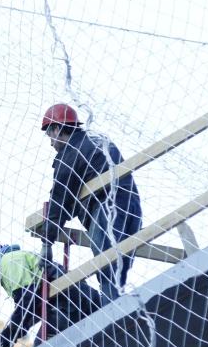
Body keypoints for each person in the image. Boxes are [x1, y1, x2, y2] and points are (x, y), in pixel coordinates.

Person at [38, 103, 142, 302]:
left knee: (107, 272)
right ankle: (119, 311)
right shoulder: (98, 140)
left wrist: (47, 242)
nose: (51, 143)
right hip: (133, 208)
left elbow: (59, 200)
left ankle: (112, 323)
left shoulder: (69, 153)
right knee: (119, 271)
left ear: (57, 129)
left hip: (106, 212)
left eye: (49, 134)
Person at [0, 238, 102, 347]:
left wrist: (8, 335)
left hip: (72, 305)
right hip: (79, 302)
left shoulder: (10, 261)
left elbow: (26, 303)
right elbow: (30, 310)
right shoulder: (16, 260)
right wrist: (10, 336)